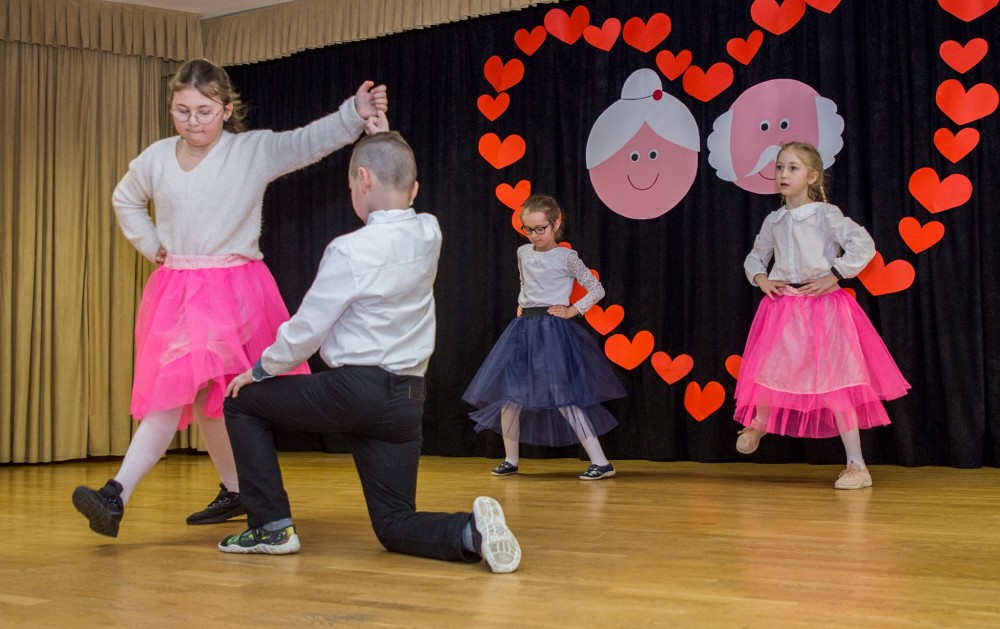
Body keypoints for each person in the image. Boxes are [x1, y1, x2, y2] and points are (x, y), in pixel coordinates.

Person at [72, 58, 388, 537]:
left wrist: (353, 114)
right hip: (179, 289)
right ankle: (235, 488)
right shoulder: (157, 158)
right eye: (182, 111)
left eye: (203, 111)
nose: (192, 122)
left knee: (190, 392)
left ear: (225, 109)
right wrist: (151, 244)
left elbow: (306, 142)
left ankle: (116, 494)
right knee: (205, 396)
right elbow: (126, 198)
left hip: (232, 292)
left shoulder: (249, 152)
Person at [219, 131, 521, 573]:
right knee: (394, 524)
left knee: (242, 403)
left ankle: (270, 528)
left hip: (355, 392)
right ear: (414, 189)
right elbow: (395, 171)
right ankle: (470, 531)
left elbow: (306, 330)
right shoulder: (429, 231)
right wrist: (384, 138)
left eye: (352, 184)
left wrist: (261, 369)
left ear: (362, 179)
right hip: (406, 400)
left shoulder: (348, 250)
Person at [733, 141, 910, 489]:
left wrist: (836, 273)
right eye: (779, 167)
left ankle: (857, 465)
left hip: (824, 308)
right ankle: (761, 421)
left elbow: (862, 243)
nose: (783, 174)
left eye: (793, 168)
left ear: (812, 177)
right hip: (785, 307)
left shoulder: (825, 215)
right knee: (769, 370)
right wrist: (761, 278)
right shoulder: (774, 220)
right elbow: (755, 256)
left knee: (837, 383)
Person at [463, 194, 626, 480]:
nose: (535, 235)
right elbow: (525, 282)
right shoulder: (523, 252)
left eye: (541, 228)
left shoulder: (567, 257)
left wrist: (572, 310)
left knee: (563, 396)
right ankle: (511, 460)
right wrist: (522, 303)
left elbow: (596, 288)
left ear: (556, 223)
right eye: (528, 229)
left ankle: (601, 462)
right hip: (523, 329)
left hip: (551, 331)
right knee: (510, 397)